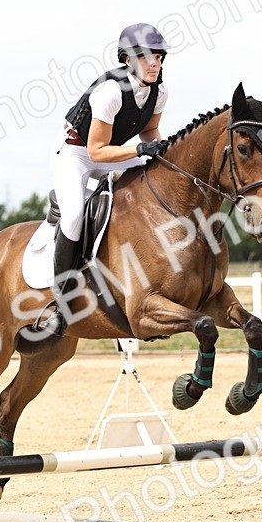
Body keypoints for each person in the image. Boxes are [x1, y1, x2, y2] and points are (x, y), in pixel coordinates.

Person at [37, 22, 171, 335]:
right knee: (74, 215)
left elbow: (150, 130)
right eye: (146, 57)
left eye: (158, 57)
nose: (154, 63)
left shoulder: (160, 91)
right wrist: (139, 149)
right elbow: (96, 152)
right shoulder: (111, 91)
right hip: (74, 154)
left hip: (111, 151)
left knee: (153, 180)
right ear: (128, 60)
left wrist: (162, 152)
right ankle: (60, 303)